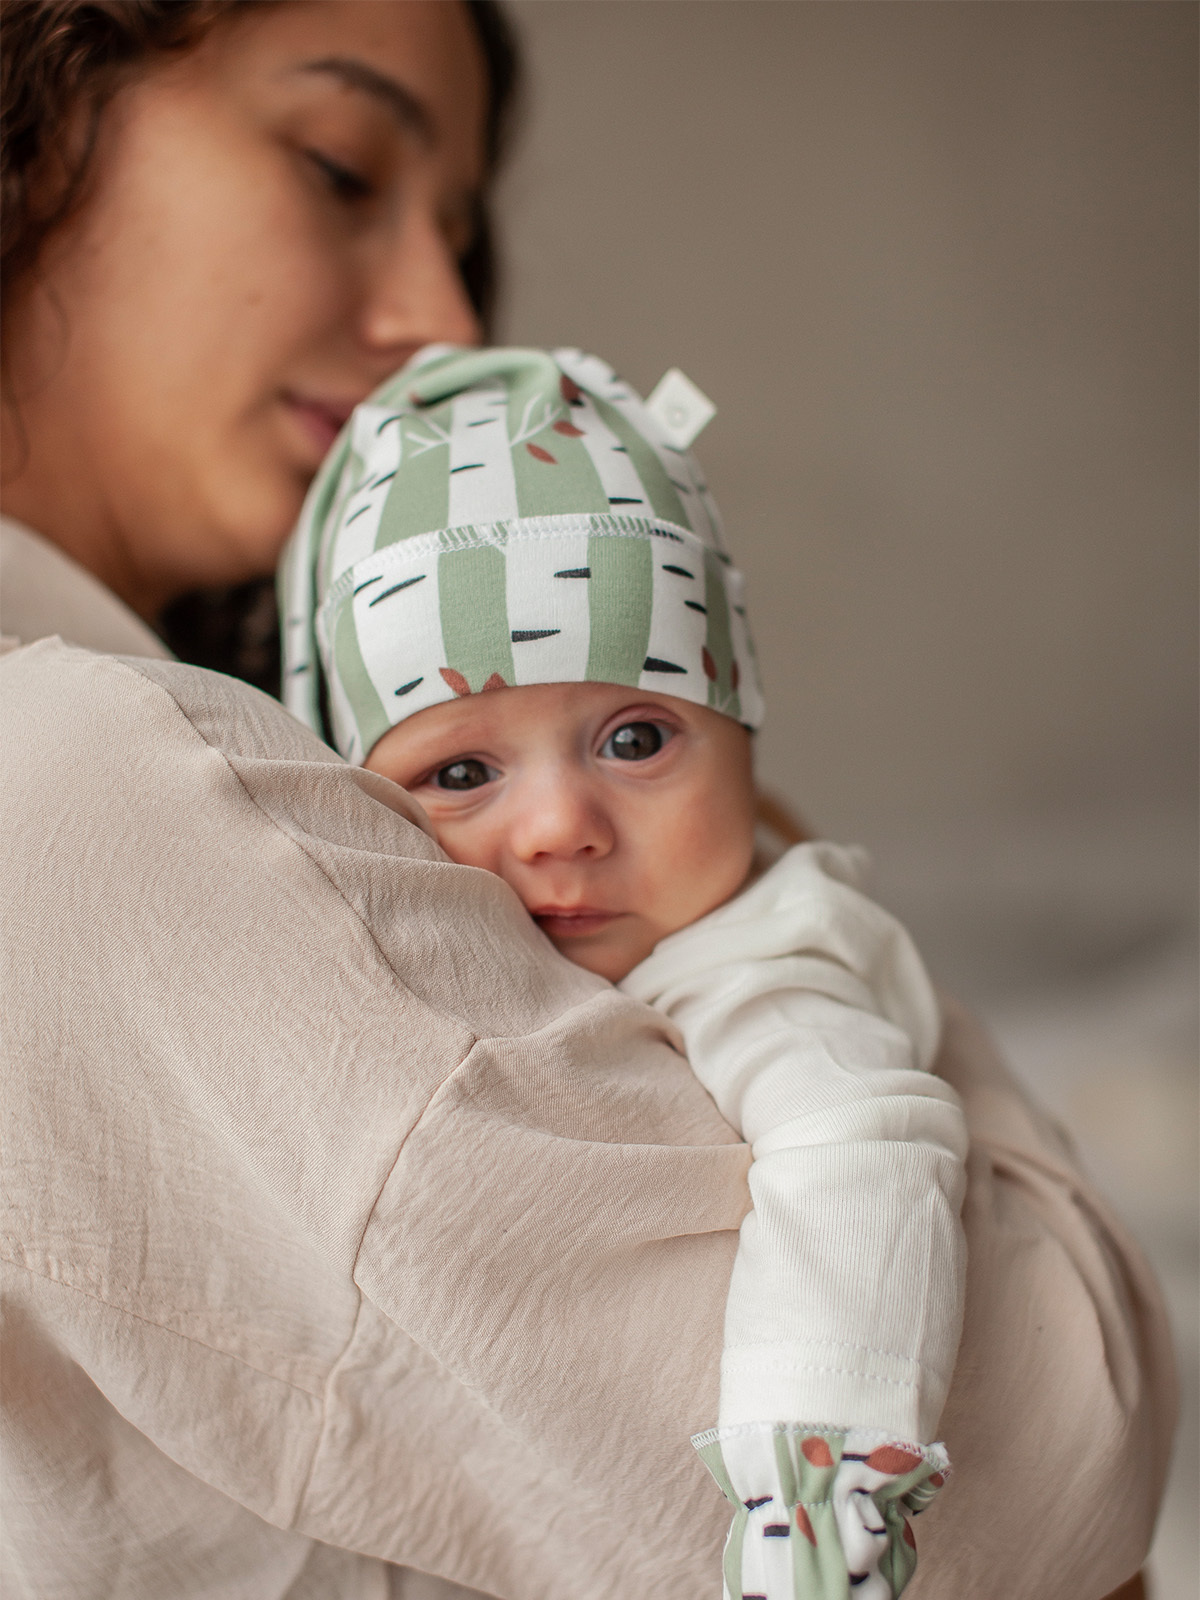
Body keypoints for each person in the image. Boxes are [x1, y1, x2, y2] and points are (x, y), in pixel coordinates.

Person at [0, 3, 1175, 1597]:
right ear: (32, 124)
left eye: (459, 232)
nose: (435, 320)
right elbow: (1056, 1467)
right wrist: (824, 932)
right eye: (341, 165)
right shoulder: (75, 789)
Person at [282, 342, 968, 1599]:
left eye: (636, 737)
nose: (561, 826)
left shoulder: (761, 969)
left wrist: (817, 1511)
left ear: (744, 733)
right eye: (461, 772)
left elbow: (859, 1157)